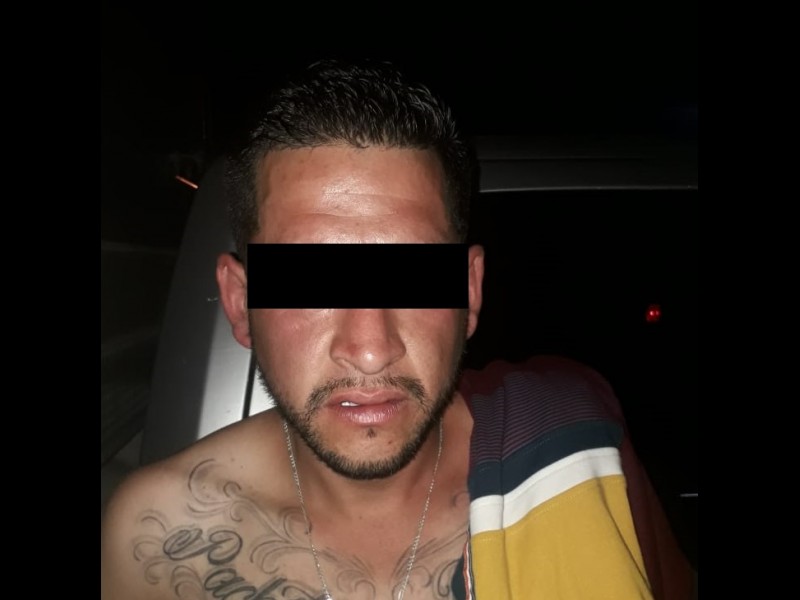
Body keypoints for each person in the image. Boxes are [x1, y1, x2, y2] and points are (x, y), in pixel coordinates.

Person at [101, 59, 693, 600]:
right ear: (240, 304)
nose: (369, 350)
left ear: (469, 292)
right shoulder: (152, 541)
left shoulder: (576, 443)